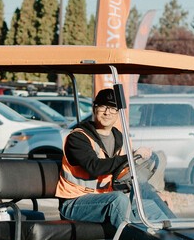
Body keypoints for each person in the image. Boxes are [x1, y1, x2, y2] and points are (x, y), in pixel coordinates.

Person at [55, 88, 170, 231]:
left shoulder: (121, 139)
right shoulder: (78, 137)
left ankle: (178, 237)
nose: (107, 112)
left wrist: (155, 194)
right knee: (118, 200)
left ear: (118, 113)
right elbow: (95, 167)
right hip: (75, 203)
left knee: (151, 206)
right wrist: (131, 156)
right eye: (103, 106)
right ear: (94, 108)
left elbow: (127, 173)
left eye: (112, 108)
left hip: (106, 199)